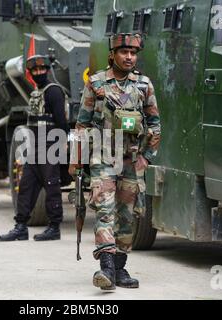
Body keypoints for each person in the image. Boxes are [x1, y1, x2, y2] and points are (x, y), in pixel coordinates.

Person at [70, 33, 161, 290]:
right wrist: (77, 161)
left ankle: (119, 268)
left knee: (127, 215)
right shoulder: (97, 83)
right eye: (124, 52)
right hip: (103, 158)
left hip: (132, 159)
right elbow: (82, 123)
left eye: (133, 53)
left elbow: (155, 123)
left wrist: (146, 157)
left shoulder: (144, 85)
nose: (129, 57)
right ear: (113, 54)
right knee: (105, 210)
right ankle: (106, 269)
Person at [0, 55, 69, 241]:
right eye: (35, 71)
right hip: (35, 147)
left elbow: (62, 122)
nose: (39, 73)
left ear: (47, 70)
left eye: (42, 70)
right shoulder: (36, 92)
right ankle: (21, 226)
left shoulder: (53, 91)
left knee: (52, 187)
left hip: (49, 146)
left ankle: (54, 228)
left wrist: (61, 147)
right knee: (26, 186)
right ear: (30, 73)